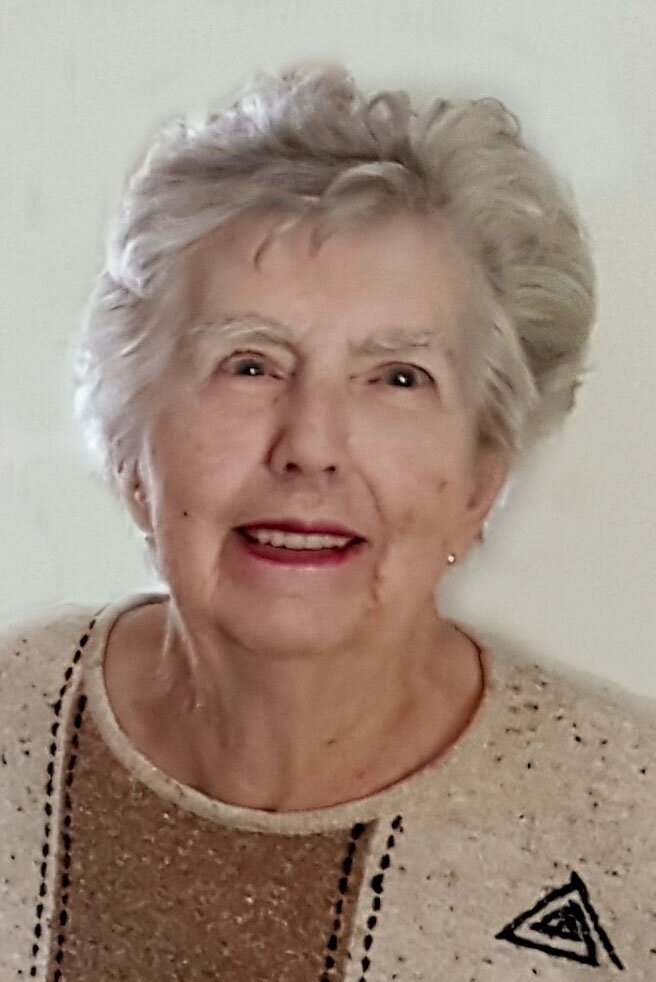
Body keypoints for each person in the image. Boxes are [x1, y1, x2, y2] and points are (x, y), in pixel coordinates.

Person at [1, 63, 655, 982]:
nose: (310, 446)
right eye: (250, 365)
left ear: (483, 475)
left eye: (397, 379)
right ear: (128, 443)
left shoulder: (630, 825)